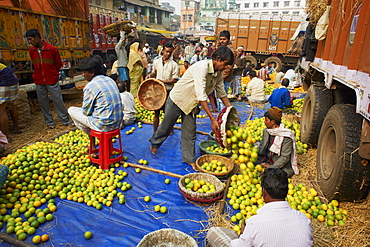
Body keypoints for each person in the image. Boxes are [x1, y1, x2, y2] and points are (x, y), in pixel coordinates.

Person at [150, 46, 234, 170]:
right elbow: (201, 95)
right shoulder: (202, 68)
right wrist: (212, 119)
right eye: (226, 64)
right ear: (218, 59)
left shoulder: (218, 74)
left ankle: (189, 159)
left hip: (191, 105)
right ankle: (155, 143)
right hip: (178, 99)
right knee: (166, 126)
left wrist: (231, 109)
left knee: (190, 132)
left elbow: (221, 93)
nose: (227, 68)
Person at [206, 168, 312, 247]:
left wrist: (243, 235)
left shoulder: (254, 223)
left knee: (213, 232)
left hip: (249, 233)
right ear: (287, 191)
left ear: (264, 192)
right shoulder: (304, 220)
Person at [26, 29, 73, 129]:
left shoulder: (52, 49)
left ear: (37, 37)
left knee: (58, 101)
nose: (29, 42)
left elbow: (58, 65)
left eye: (30, 39)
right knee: (43, 102)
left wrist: (53, 74)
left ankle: (65, 120)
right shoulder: (32, 51)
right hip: (39, 80)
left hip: (51, 80)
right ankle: (49, 122)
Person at [68, 58, 122, 135]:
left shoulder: (90, 86)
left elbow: (86, 112)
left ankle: (91, 136)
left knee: (71, 110)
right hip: (117, 123)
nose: (83, 75)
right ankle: (93, 137)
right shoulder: (110, 80)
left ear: (92, 73)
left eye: (84, 72)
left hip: (103, 126)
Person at [146, 42, 179, 132]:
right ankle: (155, 132)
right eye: (167, 51)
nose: (168, 54)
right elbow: (154, 72)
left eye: (170, 52)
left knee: (168, 113)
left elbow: (175, 79)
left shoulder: (174, 65)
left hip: (168, 91)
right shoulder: (156, 62)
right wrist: (150, 75)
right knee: (156, 113)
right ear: (163, 50)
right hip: (158, 92)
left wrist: (163, 82)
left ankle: (169, 130)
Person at [258, 107, 299, 177]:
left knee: (275, 176)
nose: (264, 122)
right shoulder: (266, 131)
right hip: (267, 159)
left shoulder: (286, 136)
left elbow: (284, 158)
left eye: (266, 120)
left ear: (273, 122)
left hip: (279, 165)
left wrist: (271, 168)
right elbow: (262, 147)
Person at [0, 59, 19, 140]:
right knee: (11, 105)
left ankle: (6, 136)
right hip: (14, 84)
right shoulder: (2, 64)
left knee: (1, 110)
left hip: (4, 85)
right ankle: (16, 128)